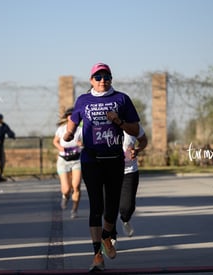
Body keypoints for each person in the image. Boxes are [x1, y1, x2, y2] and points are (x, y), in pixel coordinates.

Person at [63, 62, 140, 271]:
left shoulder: (121, 99)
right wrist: (68, 134)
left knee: (112, 207)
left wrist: (120, 123)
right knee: (96, 205)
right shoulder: (83, 100)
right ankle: (97, 255)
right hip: (91, 159)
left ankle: (107, 236)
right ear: (91, 81)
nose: (102, 81)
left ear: (111, 79)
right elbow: (70, 127)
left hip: (115, 159)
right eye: (98, 77)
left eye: (106, 77)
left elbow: (135, 129)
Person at [113, 123, 148, 242]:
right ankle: (110, 235)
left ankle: (125, 219)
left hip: (129, 171)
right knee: (109, 207)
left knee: (127, 207)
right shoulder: (104, 124)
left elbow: (143, 141)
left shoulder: (133, 125)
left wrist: (137, 150)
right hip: (109, 171)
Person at [53, 107, 83, 218]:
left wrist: (81, 144)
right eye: (69, 115)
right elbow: (55, 141)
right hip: (63, 160)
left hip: (76, 160)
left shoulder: (80, 130)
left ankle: (74, 210)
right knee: (66, 189)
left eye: (74, 115)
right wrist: (60, 147)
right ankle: (65, 197)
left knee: (76, 186)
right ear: (66, 117)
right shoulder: (61, 129)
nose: (71, 117)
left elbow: (85, 143)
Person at [0, 113, 15, 181]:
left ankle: (1, 174)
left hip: (1, 146)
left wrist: (12, 135)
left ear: (1, 119)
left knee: (2, 161)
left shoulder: (4, 126)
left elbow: (9, 132)